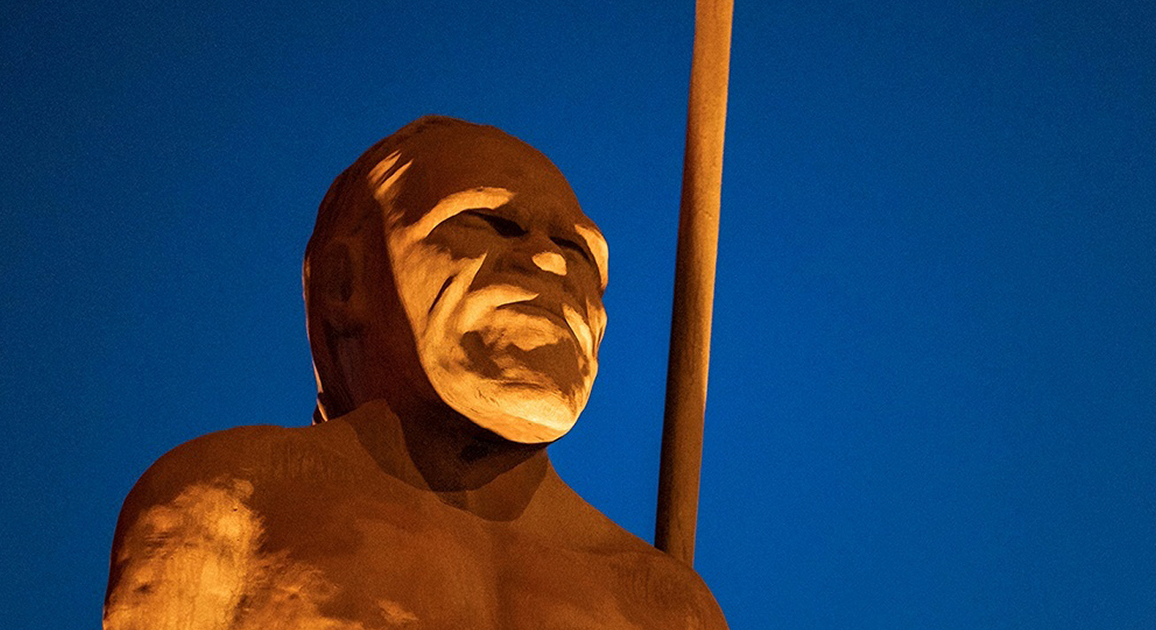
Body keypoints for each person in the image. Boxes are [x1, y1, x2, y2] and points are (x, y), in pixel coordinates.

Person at [103, 116, 727, 629]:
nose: (548, 262)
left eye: (578, 251)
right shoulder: (226, 504)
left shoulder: (669, 608)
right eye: (490, 222)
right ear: (347, 282)